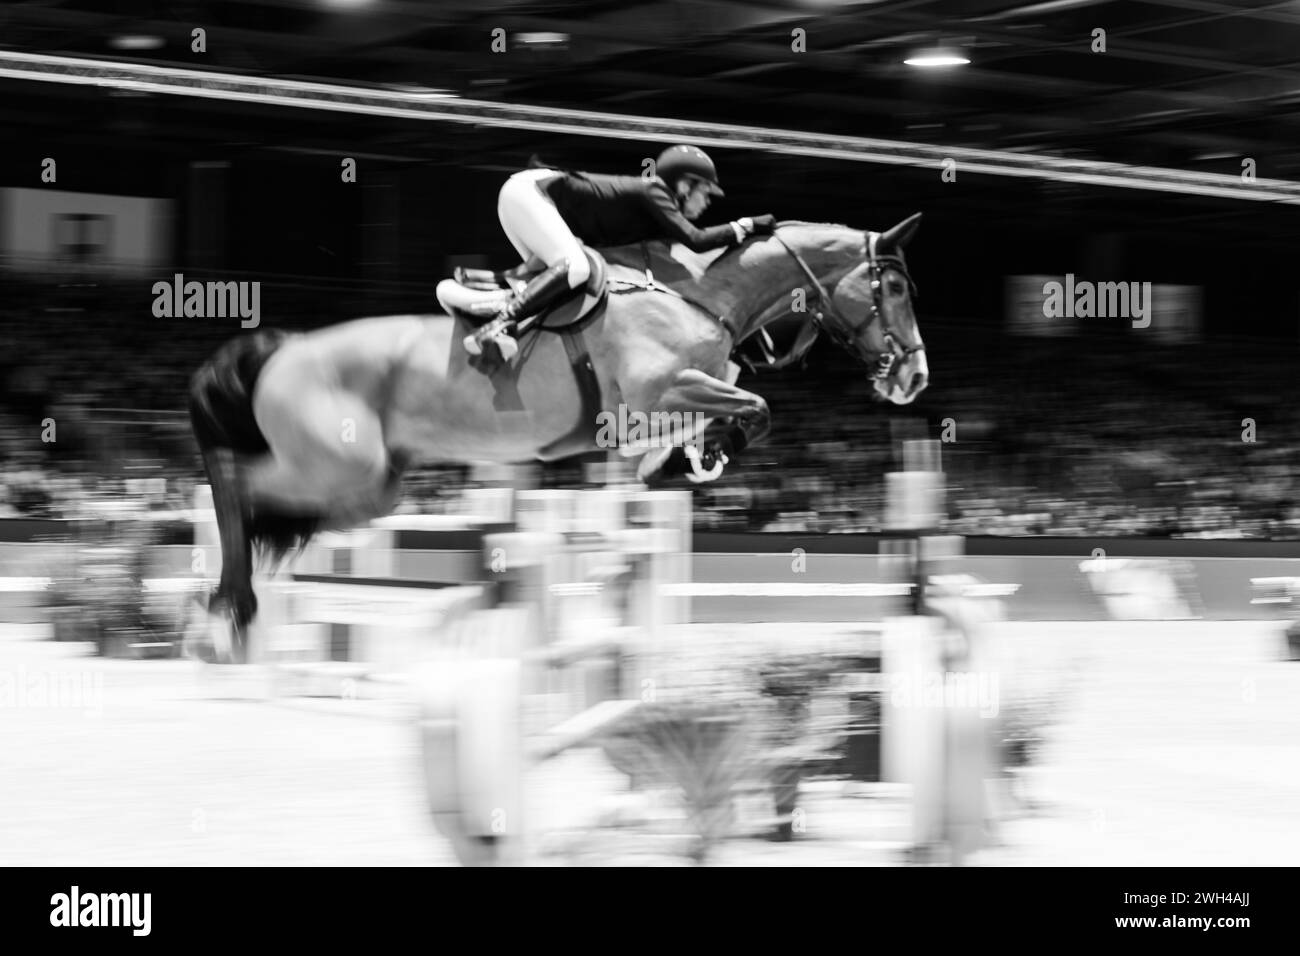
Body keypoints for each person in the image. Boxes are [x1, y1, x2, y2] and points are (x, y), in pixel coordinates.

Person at [464, 145, 776, 361]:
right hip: (530, 193)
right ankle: (497, 326)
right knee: (576, 268)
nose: (707, 202)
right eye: (705, 192)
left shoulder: (656, 211)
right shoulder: (655, 191)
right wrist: (745, 225)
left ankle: (478, 290)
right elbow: (696, 240)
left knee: (550, 282)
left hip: (526, 195)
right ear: (684, 186)